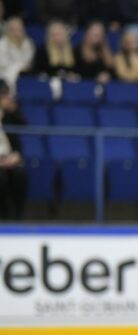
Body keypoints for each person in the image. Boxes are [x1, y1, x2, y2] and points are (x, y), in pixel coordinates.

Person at [0, 82, 27, 220]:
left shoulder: (9, 117)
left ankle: (17, 216)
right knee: (1, 178)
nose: (6, 98)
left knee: (20, 174)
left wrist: (13, 110)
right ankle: (3, 215)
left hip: (9, 158)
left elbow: (24, 126)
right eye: (3, 95)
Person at [0, 16, 35, 89]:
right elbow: (3, 63)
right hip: (6, 73)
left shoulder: (28, 43)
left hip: (25, 73)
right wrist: (19, 67)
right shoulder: (3, 43)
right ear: (8, 30)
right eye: (13, 29)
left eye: (19, 29)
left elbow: (30, 60)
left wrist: (24, 67)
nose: (16, 32)